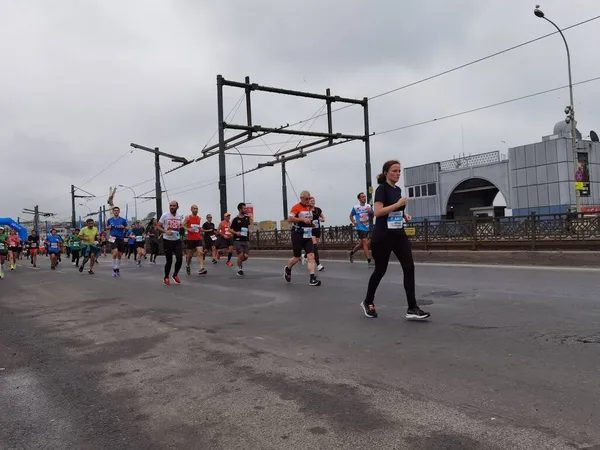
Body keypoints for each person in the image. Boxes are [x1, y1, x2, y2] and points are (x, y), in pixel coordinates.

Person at [361, 160, 430, 320]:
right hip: (383, 236)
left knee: (409, 267)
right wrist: (398, 204)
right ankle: (368, 301)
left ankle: (412, 308)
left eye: (399, 171)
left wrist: (403, 214)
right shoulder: (381, 189)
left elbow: (393, 210)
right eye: (394, 171)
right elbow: (378, 212)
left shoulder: (397, 190)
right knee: (380, 270)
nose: (398, 173)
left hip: (398, 234)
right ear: (386, 173)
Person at [283, 191, 322, 286]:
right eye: (306, 199)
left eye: (309, 199)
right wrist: (302, 219)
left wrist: (311, 224)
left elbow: (311, 219)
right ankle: (288, 268)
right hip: (297, 234)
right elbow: (290, 218)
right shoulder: (296, 207)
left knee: (311, 255)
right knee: (297, 257)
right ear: (301, 198)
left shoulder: (310, 209)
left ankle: (312, 278)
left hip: (308, 234)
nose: (308, 200)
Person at [157, 200, 184, 285]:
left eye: (173, 206)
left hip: (177, 240)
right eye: (170, 206)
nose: (172, 207)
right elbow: (158, 226)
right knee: (169, 260)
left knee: (180, 258)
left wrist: (181, 228)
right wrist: (165, 231)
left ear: (177, 207)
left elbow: (180, 226)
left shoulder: (180, 216)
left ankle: (175, 275)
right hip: (167, 240)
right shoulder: (165, 215)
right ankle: (166, 277)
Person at [349, 192, 374, 266]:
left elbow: (372, 216)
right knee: (365, 242)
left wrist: (370, 212)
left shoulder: (368, 206)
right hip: (360, 227)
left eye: (365, 197)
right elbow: (351, 216)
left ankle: (352, 253)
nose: (364, 198)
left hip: (366, 226)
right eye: (362, 197)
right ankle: (369, 260)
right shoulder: (356, 207)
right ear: (359, 199)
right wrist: (354, 222)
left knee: (361, 244)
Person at [183, 205, 207, 275]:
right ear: (191, 209)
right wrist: (189, 229)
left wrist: (200, 229)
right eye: (194, 209)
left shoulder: (199, 218)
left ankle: (201, 268)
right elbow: (182, 225)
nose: (196, 210)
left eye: (197, 209)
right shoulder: (188, 217)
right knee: (190, 256)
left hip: (198, 238)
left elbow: (197, 226)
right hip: (190, 239)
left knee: (200, 253)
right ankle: (187, 265)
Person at [230, 203, 251, 276]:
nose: (245, 209)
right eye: (244, 208)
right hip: (238, 240)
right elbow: (230, 230)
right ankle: (240, 269)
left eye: (246, 208)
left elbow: (248, 226)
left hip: (246, 239)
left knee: (245, 256)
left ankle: (239, 261)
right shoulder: (235, 219)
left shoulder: (247, 218)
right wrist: (236, 233)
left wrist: (249, 230)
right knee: (241, 255)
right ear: (240, 209)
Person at [106, 206, 128, 277]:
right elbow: (106, 227)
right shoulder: (110, 220)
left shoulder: (123, 220)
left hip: (120, 238)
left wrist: (123, 227)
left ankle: (117, 268)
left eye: (117, 210)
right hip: (112, 237)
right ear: (113, 212)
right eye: (114, 210)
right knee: (115, 252)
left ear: (119, 212)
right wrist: (108, 227)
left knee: (119, 254)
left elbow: (127, 228)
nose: (116, 211)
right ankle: (114, 268)